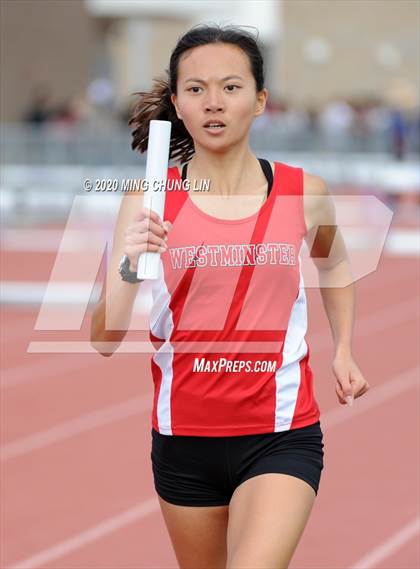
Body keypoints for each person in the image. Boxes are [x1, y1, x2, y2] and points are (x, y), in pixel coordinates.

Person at [91, 23, 370, 569]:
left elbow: (333, 265)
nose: (213, 103)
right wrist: (129, 263)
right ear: (176, 102)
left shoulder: (304, 193)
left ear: (260, 99)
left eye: (231, 87)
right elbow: (103, 339)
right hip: (183, 437)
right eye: (195, 89)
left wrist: (344, 349)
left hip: (281, 434)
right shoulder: (147, 201)